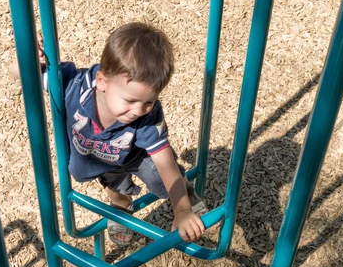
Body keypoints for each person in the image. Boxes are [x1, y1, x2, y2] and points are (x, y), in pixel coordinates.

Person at [12, 22, 206, 245]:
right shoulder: (72, 86)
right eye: (131, 100)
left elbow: (165, 162)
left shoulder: (147, 116)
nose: (139, 111)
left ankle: (186, 193)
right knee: (113, 184)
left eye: (149, 102)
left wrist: (181, 211)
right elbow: (19, 74)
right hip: (99, 157)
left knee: (160, 180)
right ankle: (122, 204)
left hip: (138, 154)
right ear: (102, 82)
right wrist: (27, 58)